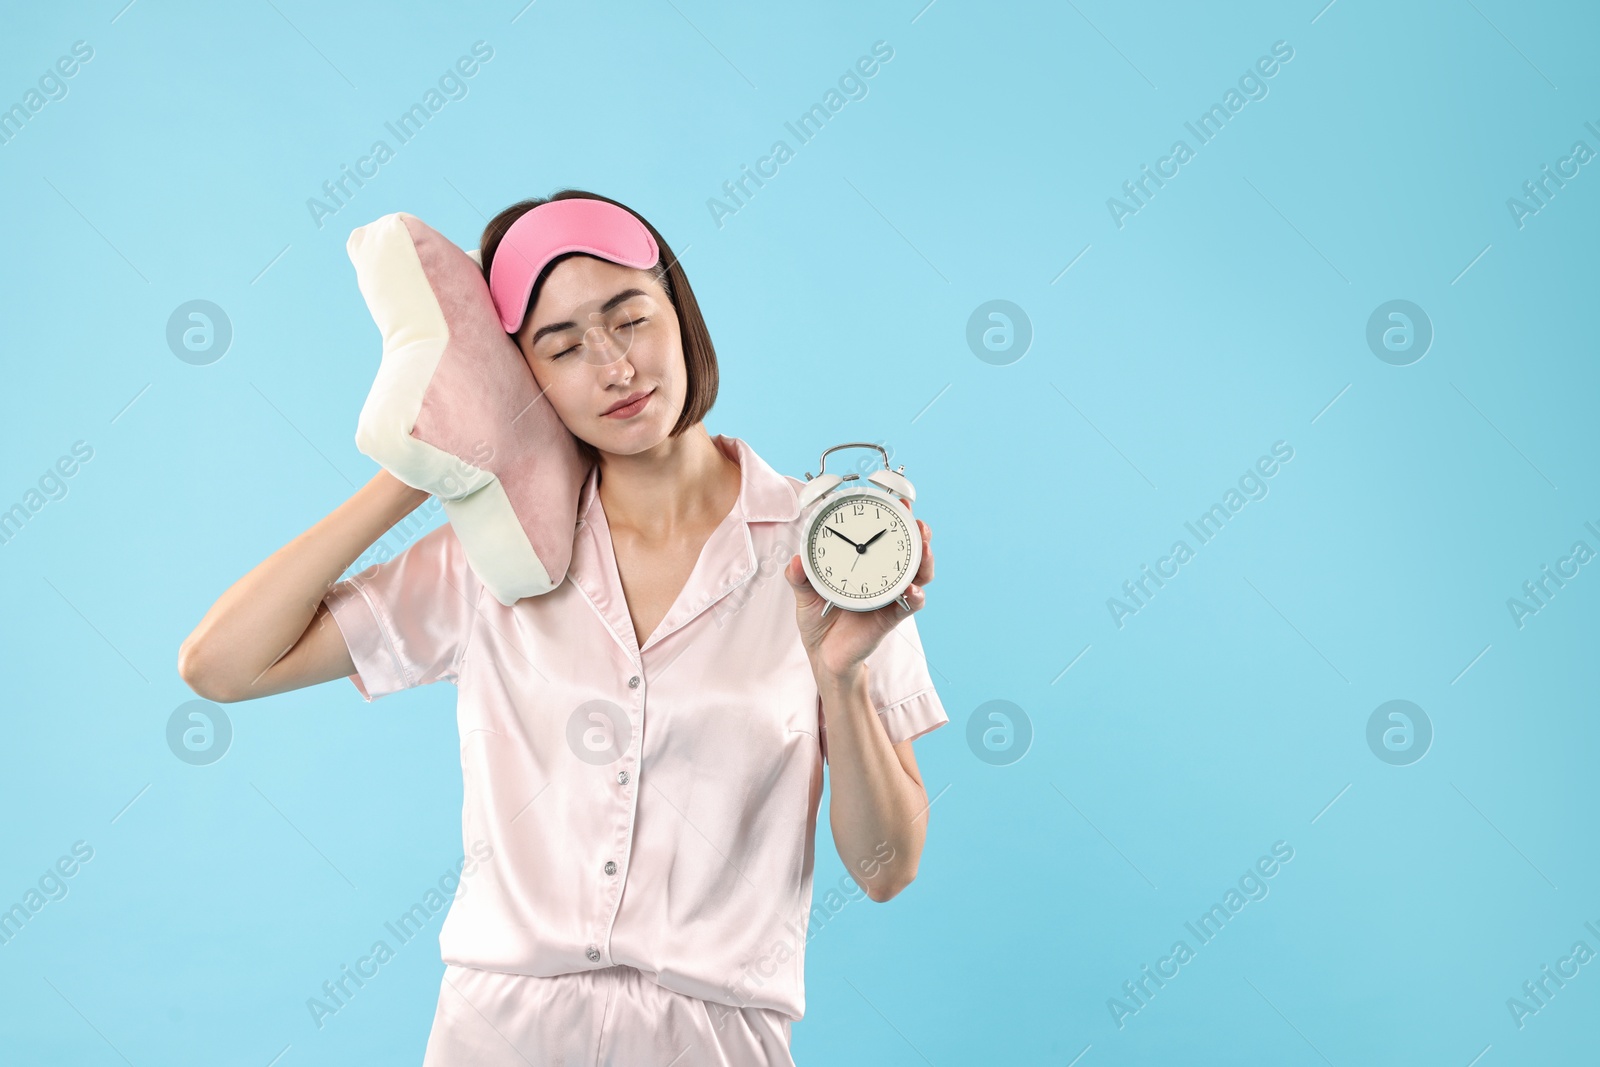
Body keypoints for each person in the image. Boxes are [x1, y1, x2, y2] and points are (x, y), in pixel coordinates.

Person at [177, 189, 948, 1065]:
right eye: (563, 346)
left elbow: (887, 868)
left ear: (680, 312)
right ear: (527, 378)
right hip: (497, 1035)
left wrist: (840, 680)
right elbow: (221, 666)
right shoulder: (493, 557)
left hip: (716, 1038)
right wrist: (428, 457)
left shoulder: (833, 548)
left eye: (630, 318)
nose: (615, 367)